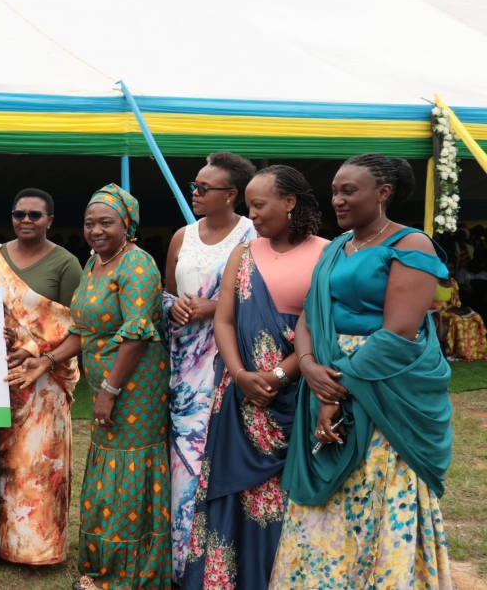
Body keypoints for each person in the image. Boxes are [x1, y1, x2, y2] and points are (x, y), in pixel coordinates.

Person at [273, 155, 454, 588]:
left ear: (383, 193)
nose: (336, 199)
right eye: (334, 190)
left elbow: (397, 334)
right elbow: (309, 317)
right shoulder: (336, 247)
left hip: (381, 388)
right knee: (330, 498)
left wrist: (333, 393)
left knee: (374, 489)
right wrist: (311, 366)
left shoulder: (411, 246)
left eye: (348, 191)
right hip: (327, 374)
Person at [181, 166, 328, 590]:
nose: (253, 215)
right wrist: (242, 374)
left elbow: (322, 326)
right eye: (249, 206)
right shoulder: (243, 253)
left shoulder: (329, 253)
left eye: (260, 205)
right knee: (228, 493)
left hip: (297, 395)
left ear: (290, 202)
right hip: (238, 396)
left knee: (286, 498)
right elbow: (224, 320)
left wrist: (280, 375)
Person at [161, 152, 257, 580]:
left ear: (231, 194)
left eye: (203, 188)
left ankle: (222, 557)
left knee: (218, 458)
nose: (195, 193)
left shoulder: (254, 234)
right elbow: (163, 294)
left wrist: (213, 307)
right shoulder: (182, 236)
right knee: (184, 465)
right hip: (182, 366)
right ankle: (184, 563)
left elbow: (267, 301)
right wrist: (174, 307)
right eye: (193, 186)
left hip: (230, 361)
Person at [71, 185, 171, 590]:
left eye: (106, 222)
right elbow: (84, 328)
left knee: (129, 469)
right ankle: (100, 563)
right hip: (104, 381)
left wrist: (110, 391)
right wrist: (45, 359)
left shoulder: (137, 264)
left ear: (127, 226)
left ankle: (127, 574)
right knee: (107, 467)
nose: (96, 230)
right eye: (89, 222)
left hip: (135, 384)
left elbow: (136, 335)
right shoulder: (93, 262)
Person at [0, 188, 82, 567]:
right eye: (19, 213)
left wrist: (39, 352)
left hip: (44, 383)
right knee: (0, 463)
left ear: (50, 220)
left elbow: (80, 328)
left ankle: (38, 549)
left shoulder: (66, 263)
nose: (26, 220)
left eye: (35, 215)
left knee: (38, 465)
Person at [431, 271, 487, 361]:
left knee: (476, 317)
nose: (448, 271)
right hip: (434, 310)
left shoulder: (453, 282)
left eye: (451, 268)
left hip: (450, 308)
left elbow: (456, 302)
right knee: (455, 319)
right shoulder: (432, 281)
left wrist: (461, 309)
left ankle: (475, 352)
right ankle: (455, 352)